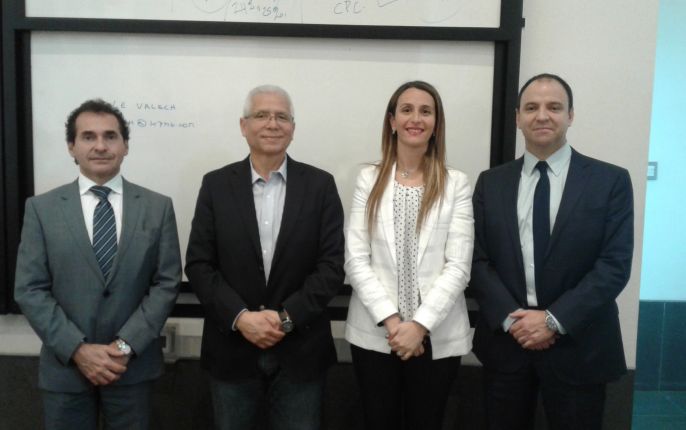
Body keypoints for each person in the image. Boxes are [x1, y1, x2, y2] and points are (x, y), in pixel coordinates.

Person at [471, 73, 634, 429]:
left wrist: (552, 320)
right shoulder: (491, 182)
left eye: (554, 107)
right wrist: (514, 320)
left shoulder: (610, 181)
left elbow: (614, 266)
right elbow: (477, 260)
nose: (542, 116)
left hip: (580, 346)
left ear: (570, 115)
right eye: (531, 107)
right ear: (517, 118)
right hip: (507, 346)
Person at [14, 99, 182, 430]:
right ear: (71, 147)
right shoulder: (41, 209)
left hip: (131, 369)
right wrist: (78, 349)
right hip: (66, 369)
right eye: (88, 136)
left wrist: (124, 346)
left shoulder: (157, 207)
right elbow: (29, 289)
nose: (101, 146)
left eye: (111, 136)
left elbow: (166, 283)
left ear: (125, 145)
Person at [185, 84, 345, 430]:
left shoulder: (321, 186)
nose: (272, 124)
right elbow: (199, 264)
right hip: (232, 351)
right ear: (244, 126)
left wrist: (286, 319)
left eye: (281, 117)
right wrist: (241, 318)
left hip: (301, 353)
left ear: (293, 128)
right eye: (261, 115)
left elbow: (331, 266)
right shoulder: (215, 185)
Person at [344, 80, 474, 430]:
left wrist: (418, 326)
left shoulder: (456, 183)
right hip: (376, 335)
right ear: (392, 121)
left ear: (436, 123)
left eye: (425, 111)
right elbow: (355, 259)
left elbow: (459, 267)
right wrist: (393, 323)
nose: (416, 118)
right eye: (406, 110)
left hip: (436, 335)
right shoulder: (368, 179)